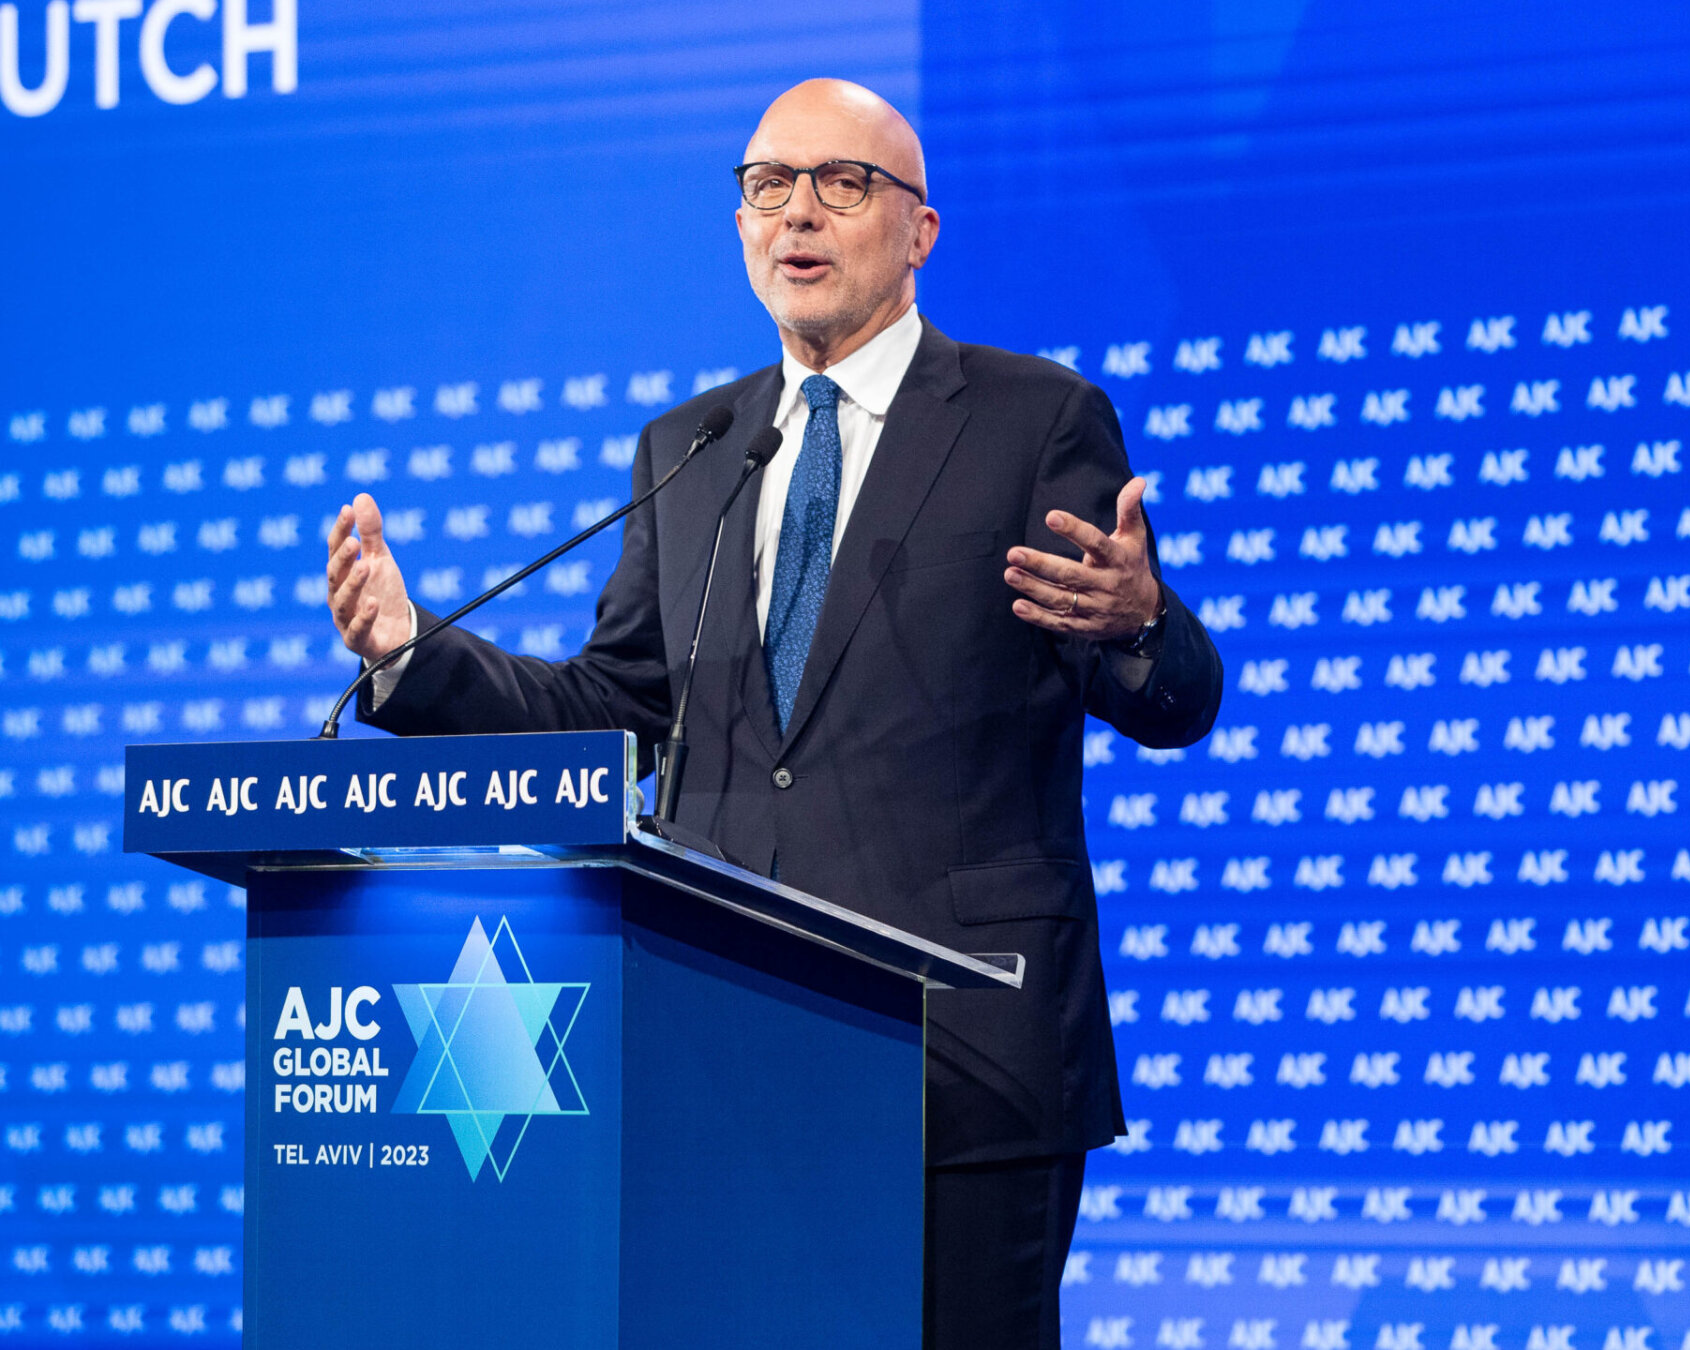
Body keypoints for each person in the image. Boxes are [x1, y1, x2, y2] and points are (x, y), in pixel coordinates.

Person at [323, 77, 1222, 1350]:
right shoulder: (693, 448)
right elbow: (615, 706)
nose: (797, 213)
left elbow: (1169, 698)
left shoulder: (1033, 421)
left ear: (919, 230)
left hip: (958, 1061)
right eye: (766, 186)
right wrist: (413, 655)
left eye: (841, 184)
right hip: (727, 1045)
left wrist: (1138, 622)